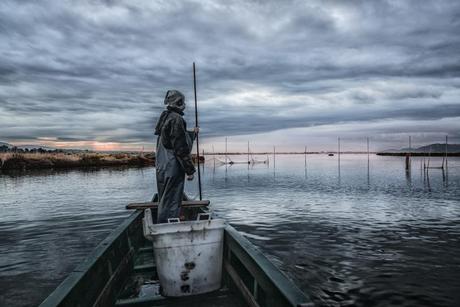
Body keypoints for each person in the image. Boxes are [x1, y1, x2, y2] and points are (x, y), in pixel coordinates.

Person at [154, 90, 198, 223]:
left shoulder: (165, 117)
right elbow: (180, 148)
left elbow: (171, 139)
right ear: (179, 102)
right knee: (172, 200)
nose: (184, 104)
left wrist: (192, 134)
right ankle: (168, 227)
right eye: (182, 102)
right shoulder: (177, 119)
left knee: (164, 197)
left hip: (161, 167)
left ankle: (163, 223)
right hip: (172, 168)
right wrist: (189, 170)